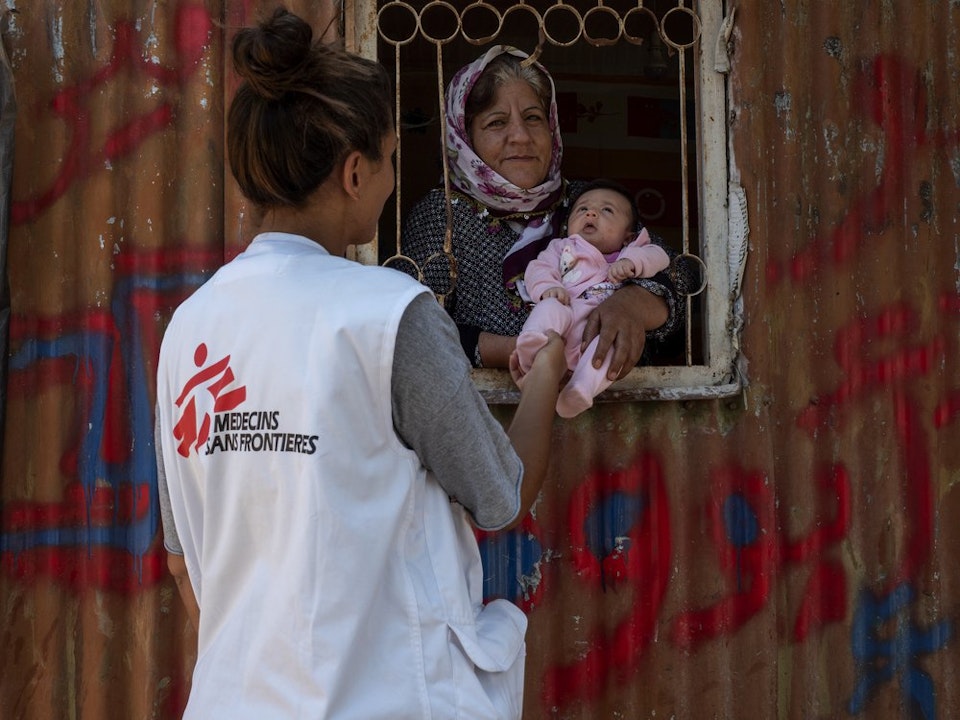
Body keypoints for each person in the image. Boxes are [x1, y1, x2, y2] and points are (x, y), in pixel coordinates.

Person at [154, 9, 566, 720]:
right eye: (389, 160)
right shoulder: (389, 315)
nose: (391, 181)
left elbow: (180, 561)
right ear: (353, 173)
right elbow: (503, 496)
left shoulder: (190, 328)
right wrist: (550, 366)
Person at [402, 45, 696, 378]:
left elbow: (682, 275)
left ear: (552, 127)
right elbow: (415, 332)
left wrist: (630, 305)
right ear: (464, 137)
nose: (521, 137)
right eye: (497, 122)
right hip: (493, 406)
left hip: (614, 401)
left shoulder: (585, 201)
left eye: (533, 118)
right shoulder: (440, 216)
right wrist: (528, 352)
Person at [515, 179, 671, 417]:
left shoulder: (630, 251)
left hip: (597, 330)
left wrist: (631, 262)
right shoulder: (562, 247)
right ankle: (532, 345)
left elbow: (659, 256)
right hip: (565, 317)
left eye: (606, 210)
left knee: (612, 345)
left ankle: (581, 389)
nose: (591, 213)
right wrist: (549, 287)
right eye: (582, 209)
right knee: (549, 308)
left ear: (628, 236)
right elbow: (538, 268)